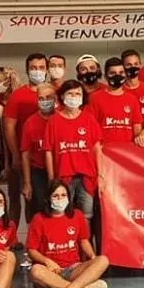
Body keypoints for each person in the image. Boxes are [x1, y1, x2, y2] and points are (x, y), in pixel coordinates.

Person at [27, 179, 109, 288]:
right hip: (51, 271)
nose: (60, 199)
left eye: (63, 195)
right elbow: (31, 250)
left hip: (73, 269)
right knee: (35, 271)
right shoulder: (38, 219)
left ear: (68, 197)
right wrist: (47, 261)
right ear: (48, 198)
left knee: (103, 260)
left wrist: (92, 257)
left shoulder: (77, 215)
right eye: (55, 196)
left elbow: (83, 241)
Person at [43, 80, 103, 221]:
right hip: (63, 178)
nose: (74, 97)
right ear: (62, 96)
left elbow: (97, 149)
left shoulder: (89, 119)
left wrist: (100, 175)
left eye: (78, 94)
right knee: (62, 215)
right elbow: (48, 151)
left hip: (87, 177)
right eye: (70, 93)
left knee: (86, 216)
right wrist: (52, 179)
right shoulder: (53, 121)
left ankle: (85, 242)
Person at [4, 54, 50, 227]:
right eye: (33, 68)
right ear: (27, 70)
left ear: (46, 70)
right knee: (24, 198)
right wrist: (16, 155)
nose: (37, 71)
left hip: (49, 158)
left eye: (41, 68)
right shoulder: (18, 96)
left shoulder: (53, 93)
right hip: (25, 157)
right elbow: (9, 127)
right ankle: (16, 238)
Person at [21, 83, 57, 222]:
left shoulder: (60, 118)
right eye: (41, 98)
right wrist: (27, 183)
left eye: (49, 97)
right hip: (39, 173)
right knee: (40, 212)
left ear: (55, 99)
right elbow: (25, 154)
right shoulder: (30, 123)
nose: (45, 101)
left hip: (60, 171)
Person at [87, 58, 142, 143]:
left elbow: (137, 128)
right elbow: (90, 127)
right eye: (113, 73)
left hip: (127, 151)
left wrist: (139, 138)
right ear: (106, 76)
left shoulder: (132, 99)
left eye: (121, 73)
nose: (117, 76)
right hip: (104, 150)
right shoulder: (95, 98)